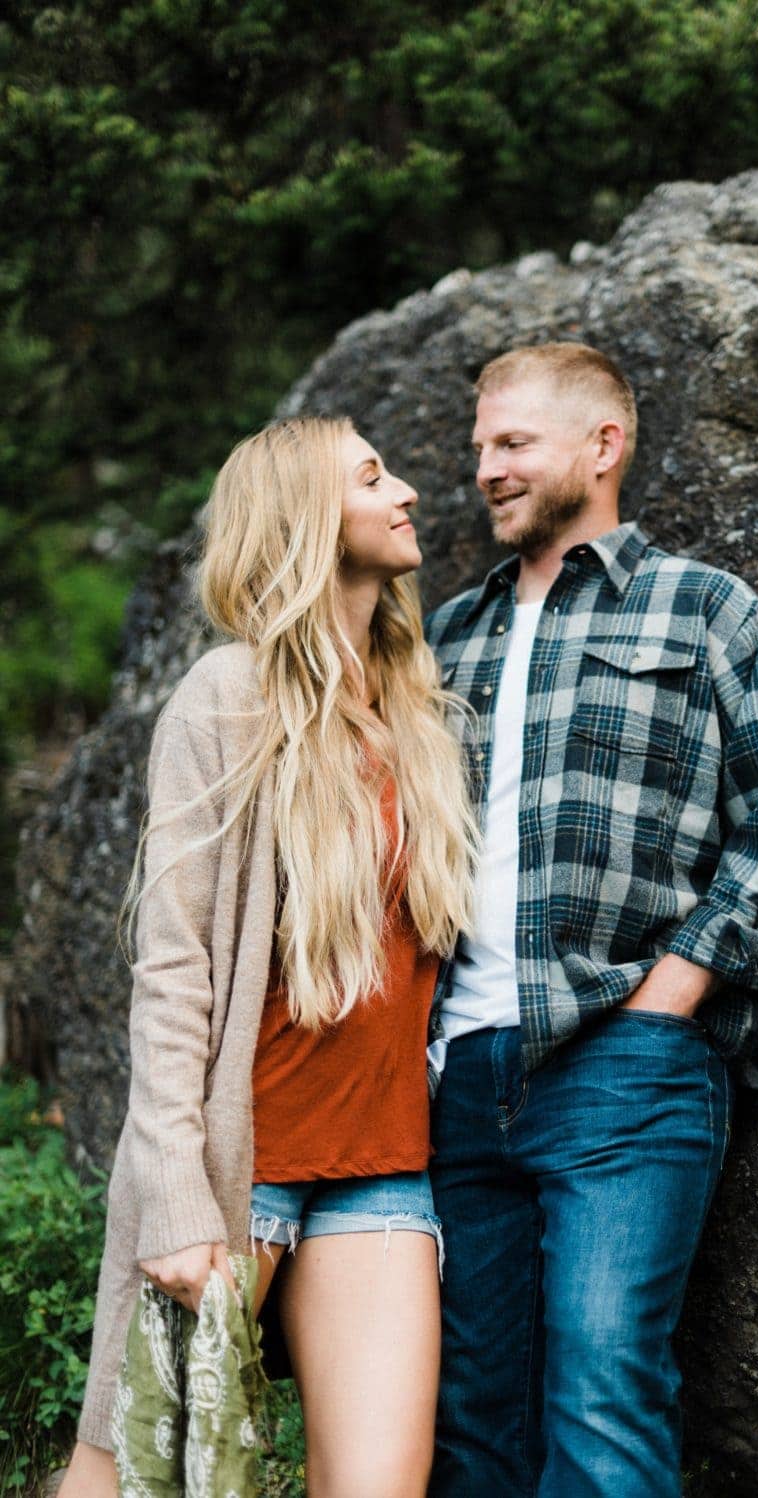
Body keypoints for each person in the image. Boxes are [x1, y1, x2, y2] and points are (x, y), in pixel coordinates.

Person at [423, 342, 758, 1497]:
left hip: (621, 1059)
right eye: (478, 450)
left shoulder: (704, 608)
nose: (486, 472)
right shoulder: (448, 634)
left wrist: (672, 994)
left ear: (603, 446)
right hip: (456, 1074)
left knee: (605, 1383)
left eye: (511, 444)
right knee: (468, 1411)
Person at [60, 416, 478, 1498]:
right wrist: (171, 1197)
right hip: (238, 1172)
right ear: (304, 517)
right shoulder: (226, 698)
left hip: (381, 1166)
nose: (409, 494)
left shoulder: (416, 711)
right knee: (131, 1478)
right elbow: (173, 968)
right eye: (373, 477)